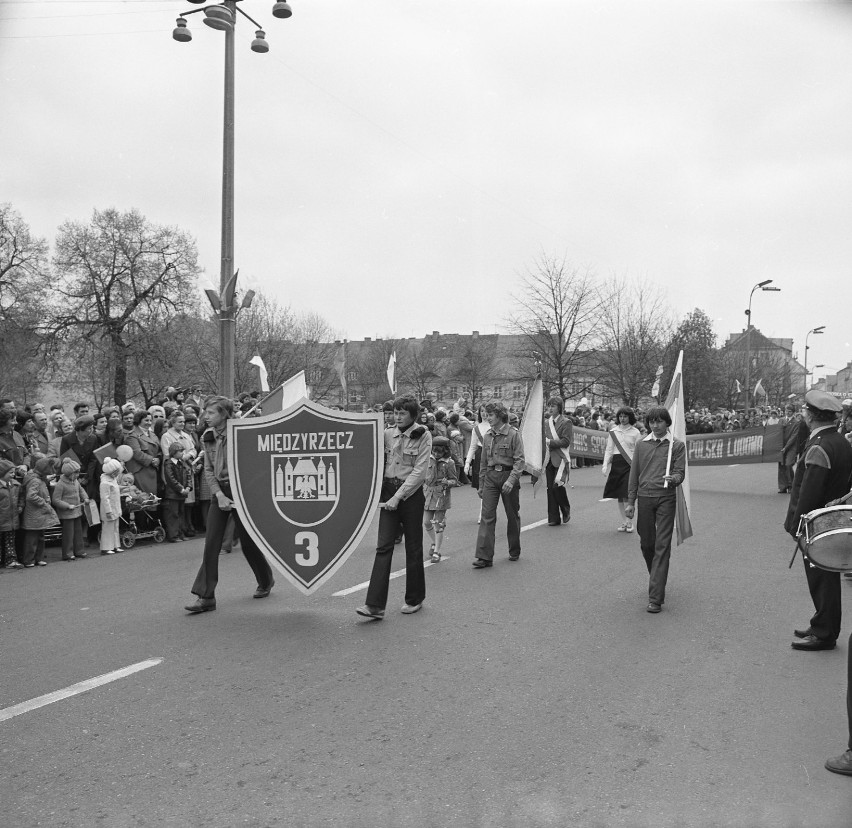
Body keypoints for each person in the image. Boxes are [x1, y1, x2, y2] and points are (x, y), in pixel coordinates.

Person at [185, 396, 275, 614]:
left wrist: (241, 495)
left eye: (211, 413)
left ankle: (265, 580)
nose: (205, 416)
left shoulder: (243, 435)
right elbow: (208, 469)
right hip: (220, 493)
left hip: (242, 493)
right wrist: (219, 494)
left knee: (248, 544)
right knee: (211, 544)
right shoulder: (207, 437)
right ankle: (206, 597)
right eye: (205, 412)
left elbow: (256, 467)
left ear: (224, 414)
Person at [784, 391, 852, 651]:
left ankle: (825, 634)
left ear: (812, 416)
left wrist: (797, 526)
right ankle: (821, 622)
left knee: (822, 579)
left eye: (804, 410)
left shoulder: (820, 445)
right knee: (826, 579)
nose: (803, 413)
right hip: (832, 519)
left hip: (819, 524)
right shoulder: (838, 441)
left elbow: (808, 492)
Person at [356, 395, 432, 619]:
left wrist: (398, 497)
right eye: (395, 413)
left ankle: (414, 598)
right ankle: (375, 605)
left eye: (402, 413)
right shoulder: (388, 434)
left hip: (410, 495)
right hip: (389, 491)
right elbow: (368, 455)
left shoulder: (423, 435)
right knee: (383, 547)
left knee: (413, 547)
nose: (397, 417)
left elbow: (419, 472)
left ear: (412, 415)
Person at [624, 407, 686, 613]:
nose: (655, 425)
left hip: (666, 498)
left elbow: (680, 472)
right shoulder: (642, 444)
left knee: (662, 546)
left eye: (659, 421)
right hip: (645, 498)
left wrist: (674, 479)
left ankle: (655, 597)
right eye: (652, 421)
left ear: (667, 423)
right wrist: (631, 501)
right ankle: (657, 576)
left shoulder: (676, 445)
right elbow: (634, 474)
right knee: (647, 543)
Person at [473, 401, 525, 568]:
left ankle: (514, 550)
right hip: (490, 477)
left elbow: (519, 461)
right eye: (486, 415)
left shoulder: (513, 434)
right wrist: (481, 484)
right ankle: (484, 556)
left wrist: (511, 480)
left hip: (508, 475)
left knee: (512, 515)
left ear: (500, 415)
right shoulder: (487, 435)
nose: (487, 418)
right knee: (487, 516)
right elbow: (482, 463)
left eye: (490, 415)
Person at [602, 406, 642, 532]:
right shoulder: (613, 431)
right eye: (620, 416)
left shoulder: (635, 432)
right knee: (619, 495)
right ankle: (624, 522)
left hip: (630, 464)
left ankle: (630, 522)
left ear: (630, 417)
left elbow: (639, 451)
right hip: (617, 464)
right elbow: (609, 449)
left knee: (627, 494)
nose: (622, 419)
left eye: (625, 416)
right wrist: (605, 464)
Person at [422, 436, 459, 563]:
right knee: (426, 522)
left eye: (439, 451)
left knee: (438, 524)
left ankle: (437, 551)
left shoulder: (449, 463)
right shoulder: (427, 459)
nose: (436, 454)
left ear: (445, 451)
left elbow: (455, 480)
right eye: (434, 451)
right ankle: (434, 542)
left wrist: (447, 482)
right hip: (428, 494)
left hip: (441, 496)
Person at [20, 457, 58, 568]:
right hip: (34, 514)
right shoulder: (35, 480)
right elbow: (31, 496)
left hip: (39, 514)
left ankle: (38, 558)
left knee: (40, 536)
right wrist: (44, 502)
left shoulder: (37, 478)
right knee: (32, 538)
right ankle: (29, 559)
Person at [51, 458, 90, 561]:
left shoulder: (75, 481)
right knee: (68, 534)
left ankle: (79, 551)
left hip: (76, 511)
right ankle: (67, 553)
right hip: (67, 512)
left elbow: (81, 490)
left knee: (78, 532)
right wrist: (67, 505)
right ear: (69, 473)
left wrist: (85, 498)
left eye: (78, 473)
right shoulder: (61, 484)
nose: (78, 475)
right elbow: (55, 500)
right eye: (75, 473)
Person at [543, 396, 572, 526]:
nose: (550, 408)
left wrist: (550, 442)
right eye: (549, 406)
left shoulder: (566, 422)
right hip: (548, 458)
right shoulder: (546, 423)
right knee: (550, 489)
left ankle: (565, 508)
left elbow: (566, 441)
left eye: (553, 406)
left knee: (557, 487)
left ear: (559, 407)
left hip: (560, 458)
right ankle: (553, 518)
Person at [125, 410, 161, 495]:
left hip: (153, 469)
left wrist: (159, 459)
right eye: (146, 420)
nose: (149, 423)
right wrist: (152, 460)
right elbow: (137, 453)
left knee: (152, 498)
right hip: (141, 470)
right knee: (144, 497)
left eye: (150, 420)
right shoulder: (132, 435)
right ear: (138, 420)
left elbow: (159, 449)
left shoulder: (152, 434)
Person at [162, 443, 191, 542]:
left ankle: (181, 533)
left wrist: (188, 487)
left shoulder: (182, 463)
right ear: (173, 452)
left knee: (181, 513)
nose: (182, 453)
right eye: (180, 451)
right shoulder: (169, 464)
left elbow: (188, 474)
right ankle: (173, 535)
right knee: (173, 514)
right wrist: (181, 489)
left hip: (181, 494)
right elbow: (170, 479)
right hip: (172, 494)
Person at [0, 458, 23, 569]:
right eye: (10, 472)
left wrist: (20, 506)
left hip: (12, 519)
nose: (13, 475)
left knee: (10, 541)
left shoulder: (16, 485)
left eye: (13, 472)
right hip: (2, 518)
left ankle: (11, 560)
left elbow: (21, 497)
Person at [99, 457, 123, 555]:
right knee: (108, 528)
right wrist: (108, 511)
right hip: (108, 510)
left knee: (115, 528)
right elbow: (105, 498)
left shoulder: (113, 479)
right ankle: (106, 547)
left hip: (115, 507)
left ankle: (115, 545)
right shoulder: (105, 483)